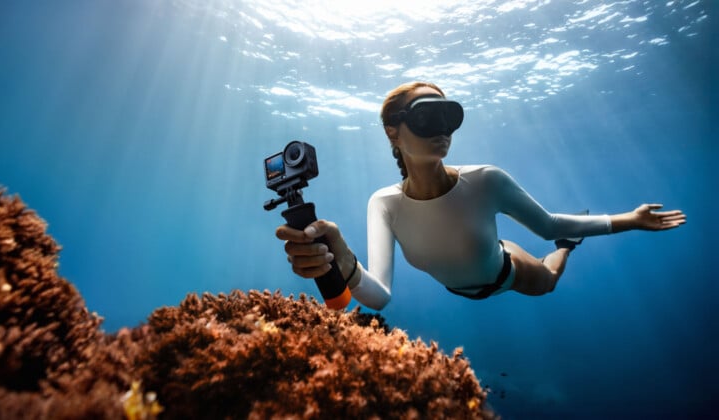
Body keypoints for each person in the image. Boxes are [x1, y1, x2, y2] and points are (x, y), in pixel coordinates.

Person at [275, 81, 687, 311]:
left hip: (508, 271)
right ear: (392, 132)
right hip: (464, 286)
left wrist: (632, 220)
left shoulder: (487, 180)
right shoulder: (383, 204)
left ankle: (568, 249)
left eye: (449, 117)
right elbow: (379, 297)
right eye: (427, 117)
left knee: (548, 281)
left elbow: (548, 225)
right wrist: (343, 261)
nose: (443, 130)